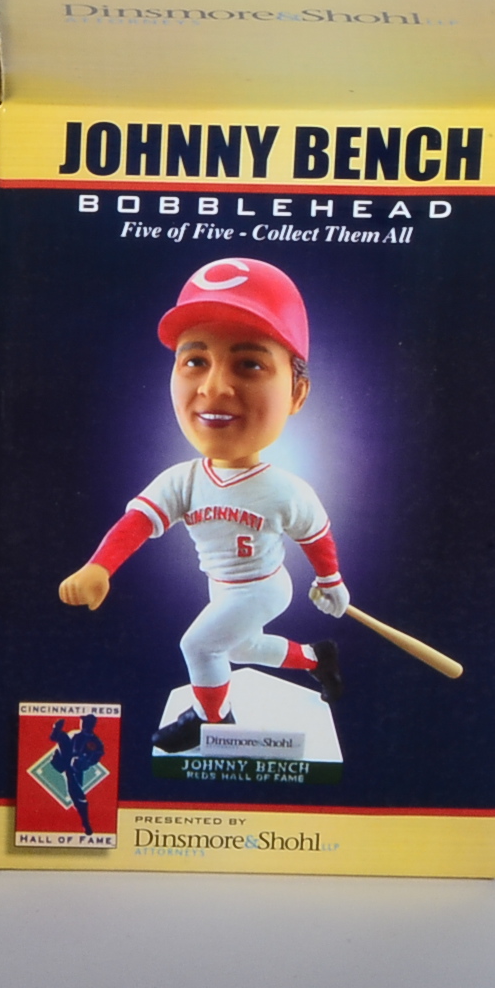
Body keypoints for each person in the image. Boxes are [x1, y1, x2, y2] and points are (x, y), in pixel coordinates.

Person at [59, 258, 346, 754]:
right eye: (195, 361)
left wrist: (331, 581)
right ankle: (317, 659)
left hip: (263, 587)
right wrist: (99, 566)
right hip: (223, 587)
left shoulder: (285, 489)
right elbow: (138, 522)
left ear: (297, 392)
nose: (213, 388)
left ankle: (213, 719)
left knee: (199, 645)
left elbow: (316, 536)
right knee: (240, 646)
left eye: (249, 364)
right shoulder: (185, 480)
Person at [49, 713, 106, 836]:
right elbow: (60, 742)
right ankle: (85, 820)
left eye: (86, 722)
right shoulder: (74, 734)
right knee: (63, 738)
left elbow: (97, 755)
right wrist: (56, 730)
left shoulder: (96, 742)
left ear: (92, 724)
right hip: (63, 762)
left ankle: (85, 822)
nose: (83, 724)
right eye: (82, 721)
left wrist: (86, 761)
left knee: (76, 794)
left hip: (77, 768)